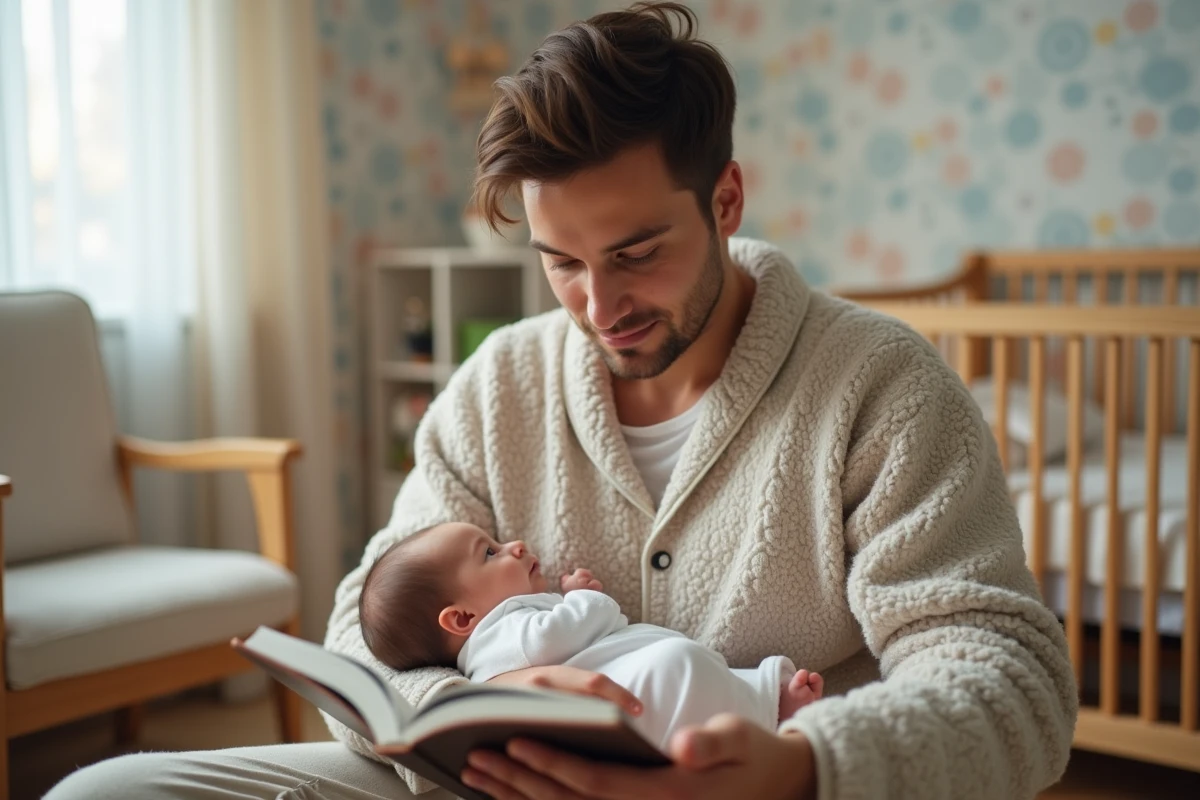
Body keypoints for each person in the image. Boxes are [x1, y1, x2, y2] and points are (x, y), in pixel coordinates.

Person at [47, 3, 1076, 799]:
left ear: (725, 201)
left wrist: (801, 764)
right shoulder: (501, 382)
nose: (600, 304)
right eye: (561, 262)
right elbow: (369, 622)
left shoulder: (883, 386)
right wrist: (473, 703)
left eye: (636, 254)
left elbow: (1012, 684)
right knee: (107, 786)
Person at [358, 522, 824, 750]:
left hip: (623, 689)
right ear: (461, 619)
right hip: (630, 697)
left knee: (692, 668)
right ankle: (769, 714)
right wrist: (583, 598)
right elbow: (553, 637)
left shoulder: (499, 632)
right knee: (680, 664)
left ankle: (767, 704)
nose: (514, 546)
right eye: (490, 552)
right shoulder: (502, 633)